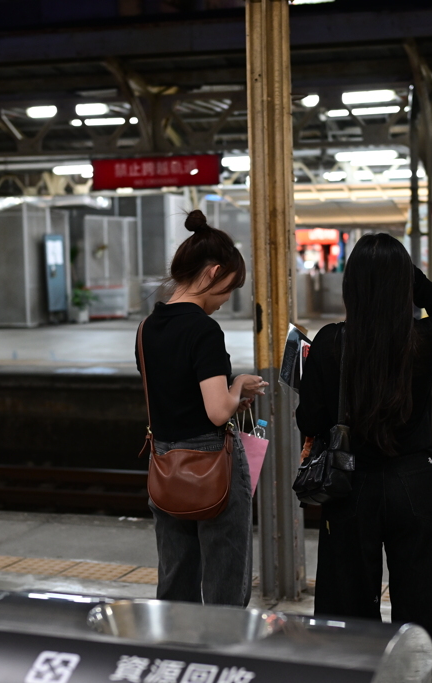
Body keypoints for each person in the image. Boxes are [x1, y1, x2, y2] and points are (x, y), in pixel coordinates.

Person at [296, 233, 432, 683]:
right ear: (401, 287)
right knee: (423, 608)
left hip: (351, 488)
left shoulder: (330, 342)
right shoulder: (423, 340)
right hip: (415, 484)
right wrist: (411, 277)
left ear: (351, 287)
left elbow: (309, 418)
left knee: (347, 608)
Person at [135, 209, 268, 607]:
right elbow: (216, 411)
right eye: (228, 288)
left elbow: (174, 392)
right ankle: (223, 656)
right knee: (225, 576)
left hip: (164, 461)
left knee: (176, 575)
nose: (226, 301)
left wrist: (225, 395)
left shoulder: (147, 328)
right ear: (212, 272)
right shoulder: (203, 329)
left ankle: (177, 652)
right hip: (212, 463)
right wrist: (238, 385)